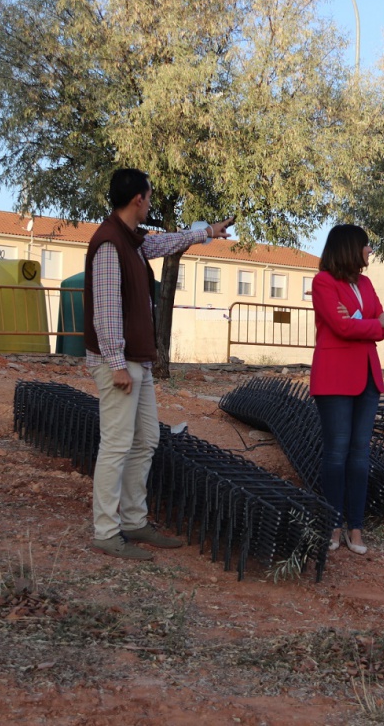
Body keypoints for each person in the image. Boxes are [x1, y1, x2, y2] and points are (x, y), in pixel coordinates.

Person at [84, 168, 234, 560]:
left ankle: (133, 520)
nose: (151, 203)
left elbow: (165, 243)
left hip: (137, 362)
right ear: (138, 199)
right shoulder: (108, 244)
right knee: (116, 445)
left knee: (145, 439)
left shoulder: (131, 241)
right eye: (149, 197)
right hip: (120, 364)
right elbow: (105, 311)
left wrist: (207, 232)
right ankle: (106, 530)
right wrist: (116, 364)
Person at [308, 224, 384, 556]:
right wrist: (371, 324)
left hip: (368, 378)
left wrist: (366, 325)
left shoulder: (367, 283)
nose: (369, 251)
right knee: (336, 456)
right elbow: (343, 326)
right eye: (366, 245)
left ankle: (356, 528)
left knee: (360, 457)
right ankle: (333, 524)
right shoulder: (323, 282)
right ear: (350, 247)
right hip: (335, 379)